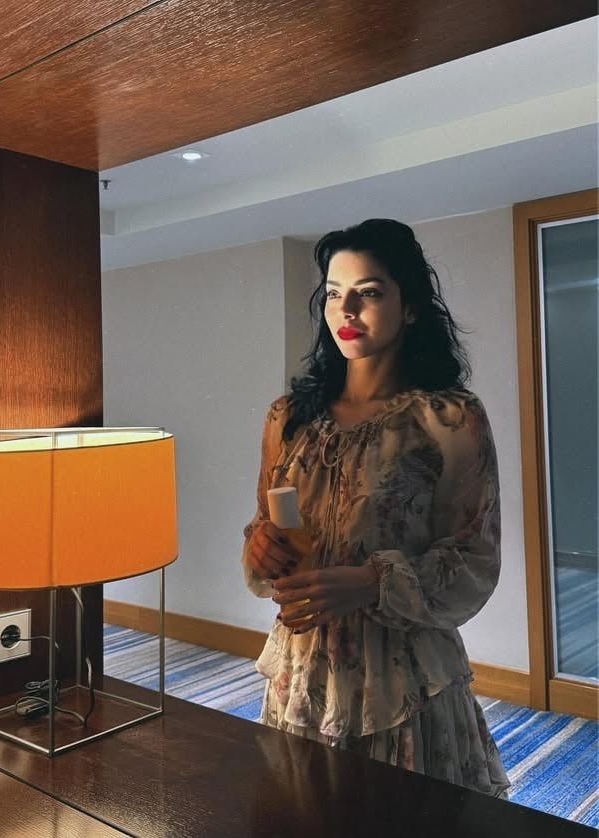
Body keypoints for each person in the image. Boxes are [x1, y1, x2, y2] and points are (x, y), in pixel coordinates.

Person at [241, 218, 510, 797]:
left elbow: (475, 558)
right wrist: (259, 547)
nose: (346, 309)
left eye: (368, 292)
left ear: (409, 307)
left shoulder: (449, 420)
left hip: (405, 676)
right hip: (303, 666)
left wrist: (372, 582)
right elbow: (265, 524)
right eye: (333, 293)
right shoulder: (288, 419)